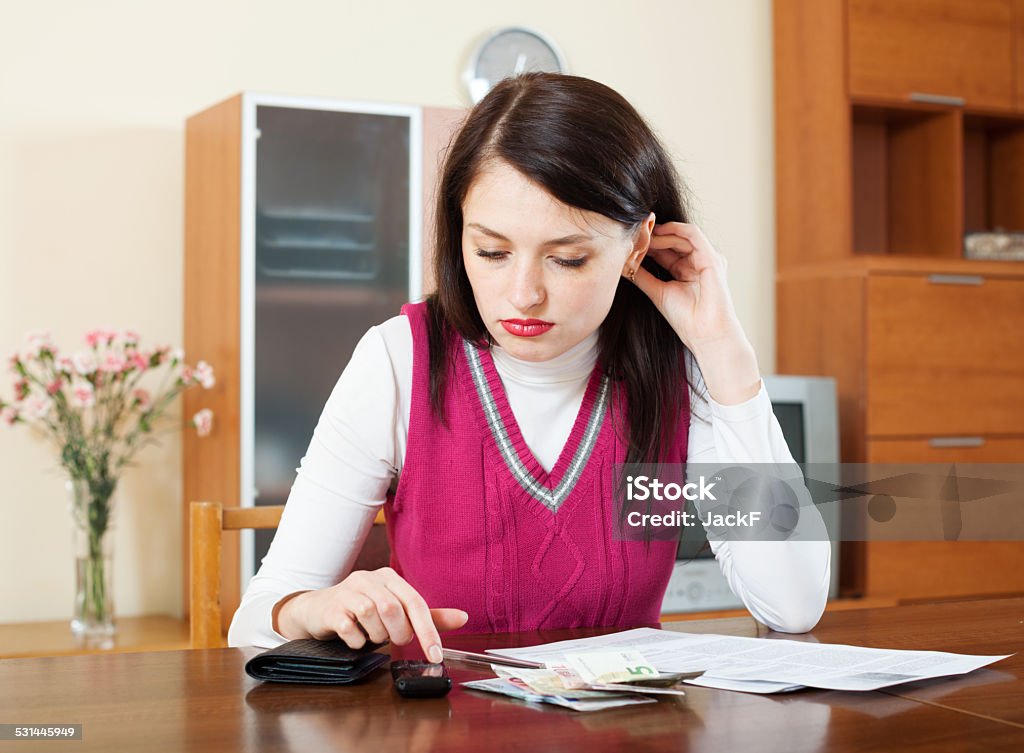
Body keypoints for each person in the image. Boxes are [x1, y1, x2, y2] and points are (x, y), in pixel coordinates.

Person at [228, 73, 830, 660]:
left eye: (566, 259)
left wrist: (725, 352)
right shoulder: (399, 359)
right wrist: (312, 608)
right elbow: (256, 619)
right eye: (490, 251)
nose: (522, 295)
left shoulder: (679, 370)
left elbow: (793, 606)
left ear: (638, 245)